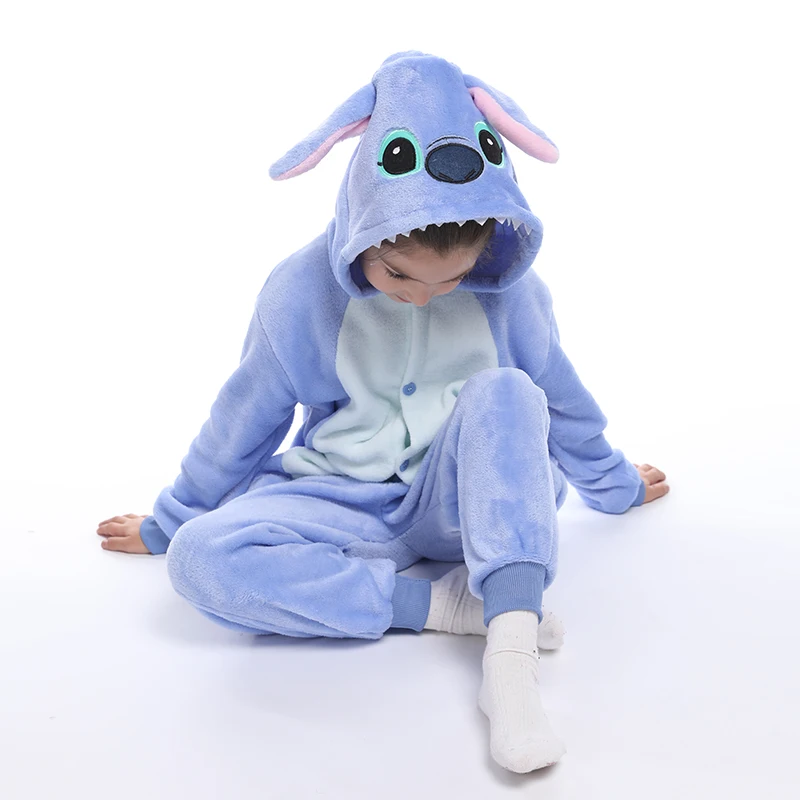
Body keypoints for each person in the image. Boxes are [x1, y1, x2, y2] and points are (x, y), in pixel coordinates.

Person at [96, 50, 669, 774]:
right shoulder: (299, 293)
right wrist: (170, 520)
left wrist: (614, 484)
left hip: (469, 498)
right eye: (397, 274)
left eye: (451, 279)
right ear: (362, 223)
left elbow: (563, 397)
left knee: (510, 390)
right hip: (339, 498)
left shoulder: (513, 295)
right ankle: (444, 609)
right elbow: (244, 418)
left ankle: (511, 654)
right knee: (201, 560)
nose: (421, 296)